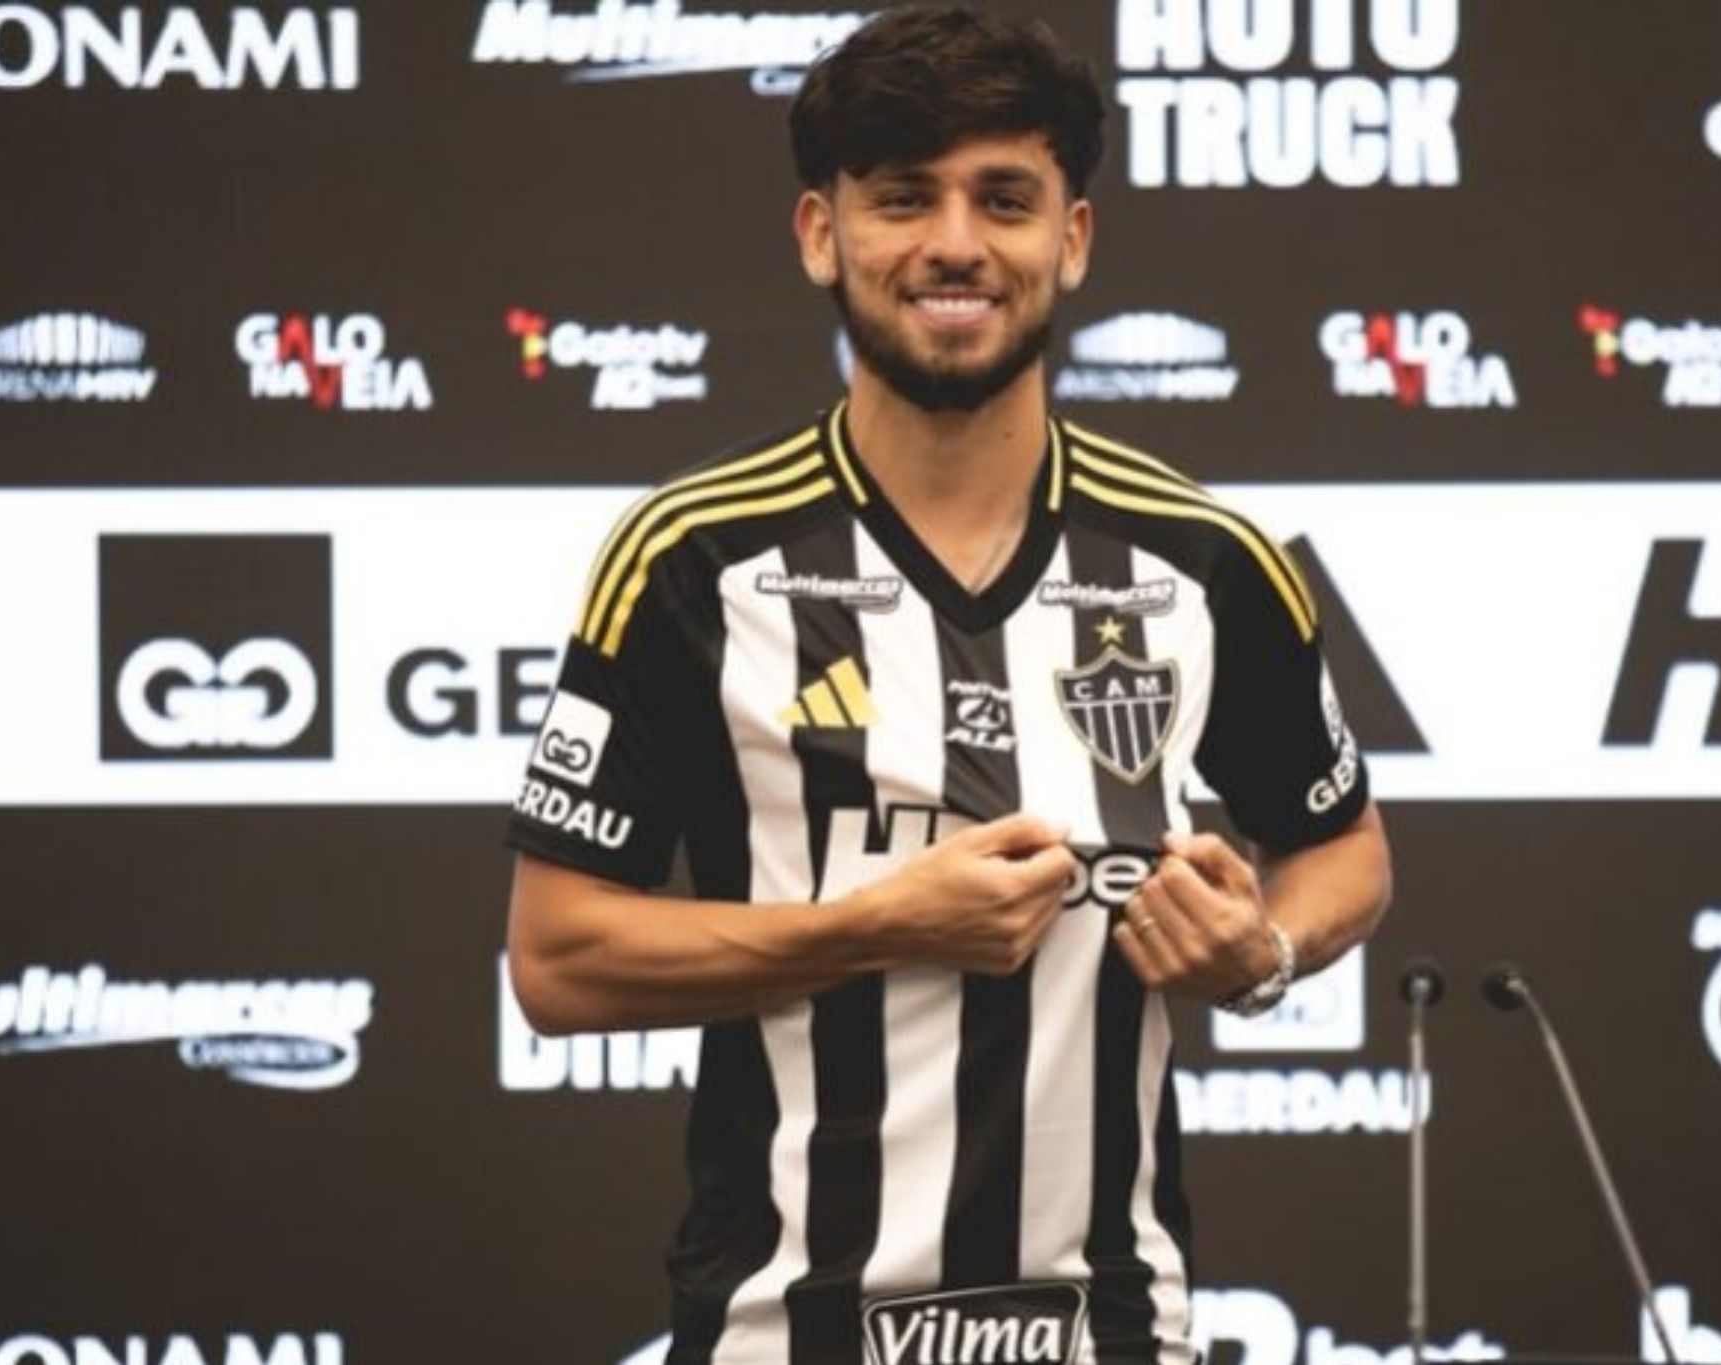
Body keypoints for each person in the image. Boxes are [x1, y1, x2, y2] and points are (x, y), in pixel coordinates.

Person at [504, 7, 1392, 1363]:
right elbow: (559, 959)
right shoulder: (694, 558)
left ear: (1072, 238)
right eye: (904, 197)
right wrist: (873, 925)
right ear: (822, 233)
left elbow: (1344, 847)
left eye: (1005, 199)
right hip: (782, 1331)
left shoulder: (1203, 558)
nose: (957, 244)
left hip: (1110, 1331)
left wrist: (1261, 949)